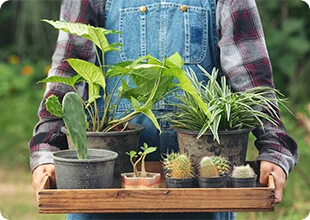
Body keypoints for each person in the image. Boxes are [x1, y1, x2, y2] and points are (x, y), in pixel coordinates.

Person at [30, 0, 299, 219]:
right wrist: (46, 150)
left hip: (202, 191)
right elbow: (67, 73)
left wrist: (274, 149)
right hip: (102, 188)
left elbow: (251, 76)